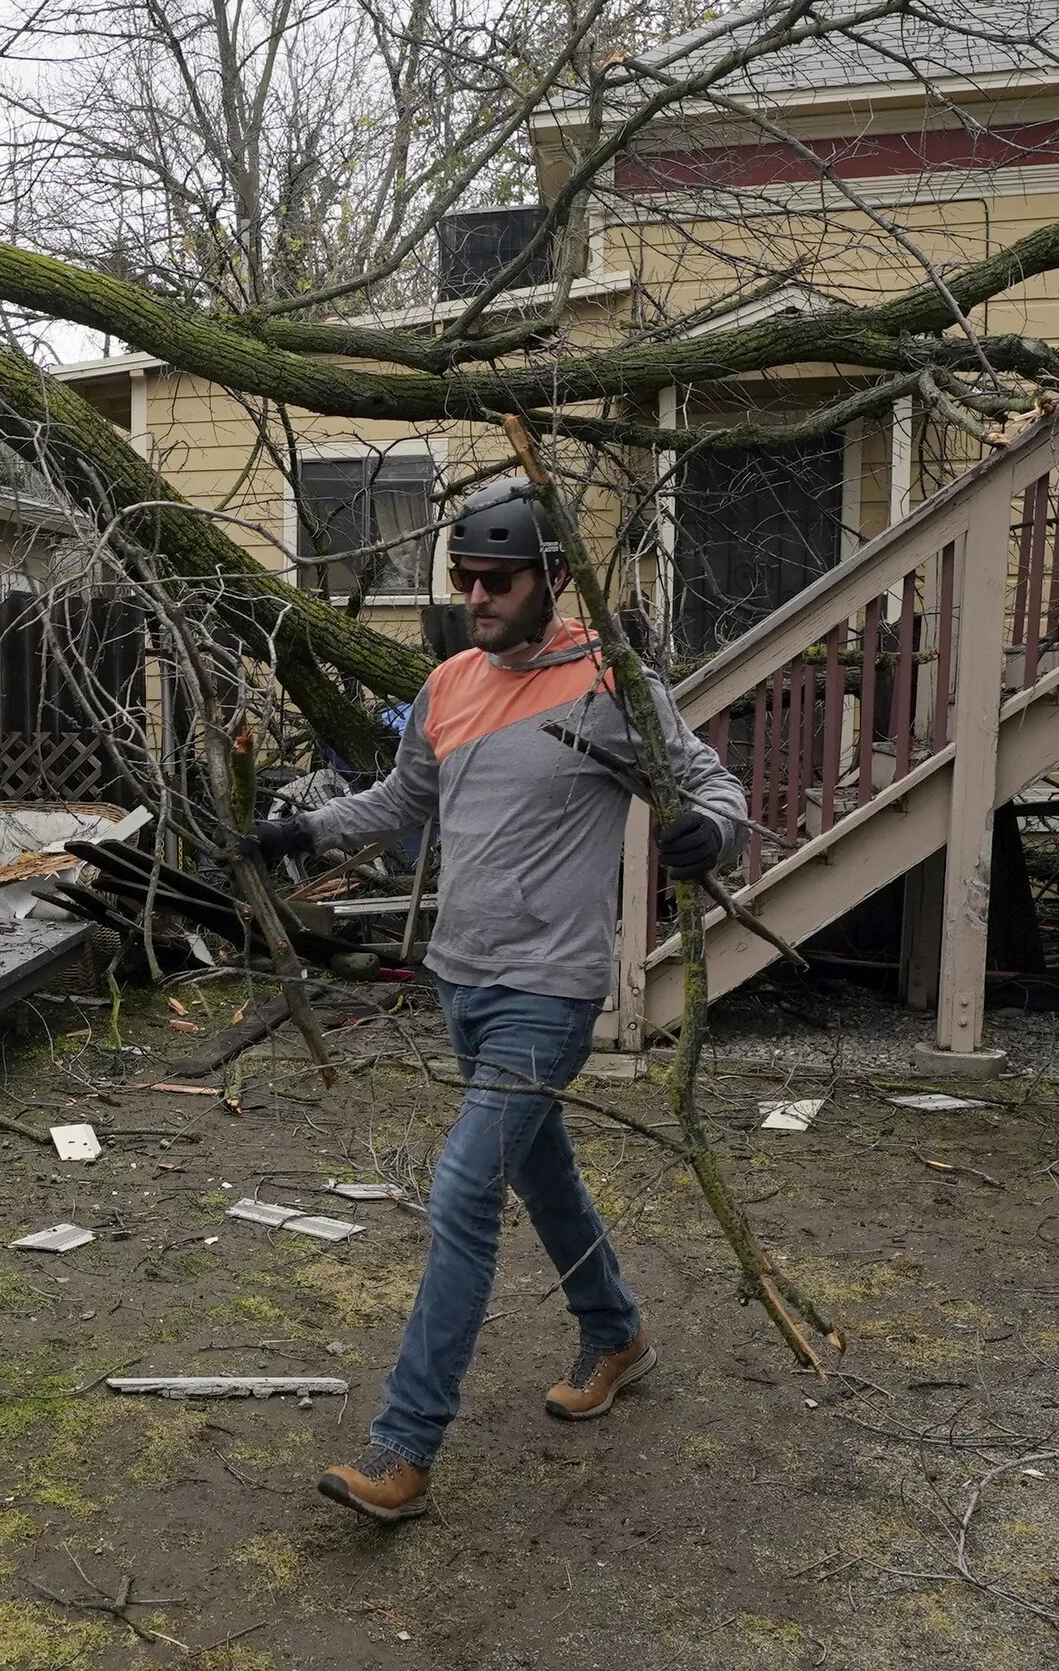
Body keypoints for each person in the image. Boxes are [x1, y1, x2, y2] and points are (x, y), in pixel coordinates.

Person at [251, 480, 749, 1522]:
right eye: (464, 578)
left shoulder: (610, 679)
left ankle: (405, 1445)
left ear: (549, 578)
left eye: (497, 578)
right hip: (462, 981)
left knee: (464, 1189)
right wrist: (300, 834)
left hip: (551, 990)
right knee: (541, 1170)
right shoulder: (446, 685)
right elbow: (402, 801)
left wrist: (708, 833)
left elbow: (710, 786)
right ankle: (615, 1328)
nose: (476, 595)